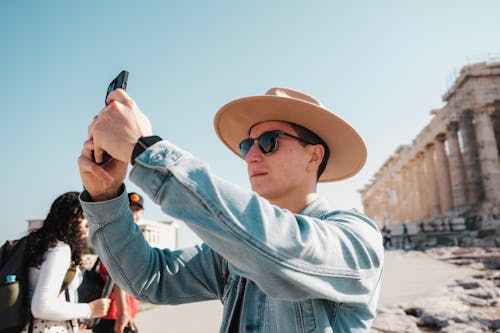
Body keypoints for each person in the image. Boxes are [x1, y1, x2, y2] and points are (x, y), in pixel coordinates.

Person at [78, 87, 384, 332]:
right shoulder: (230, 252)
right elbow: (151, 277)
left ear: (313, 156)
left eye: (268, 142)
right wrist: (105, 196)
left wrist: (145, 150)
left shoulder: (356, 238)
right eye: (245, 146)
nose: (250, 155)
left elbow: (279, 251)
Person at [22, 191, 110, 333]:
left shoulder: (40, 246)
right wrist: (89, 309)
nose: (88, 223)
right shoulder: (59, 250)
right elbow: (42, 306)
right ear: (69, 218)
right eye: (83, 216)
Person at [92, 193, 142, 333]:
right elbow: (117, 277)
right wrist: (122, 312)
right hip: (113, 314)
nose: (134, 213)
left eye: (137, 209)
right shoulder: (119, 237)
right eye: (129, 208)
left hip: (118, 313)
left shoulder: (129, 236)